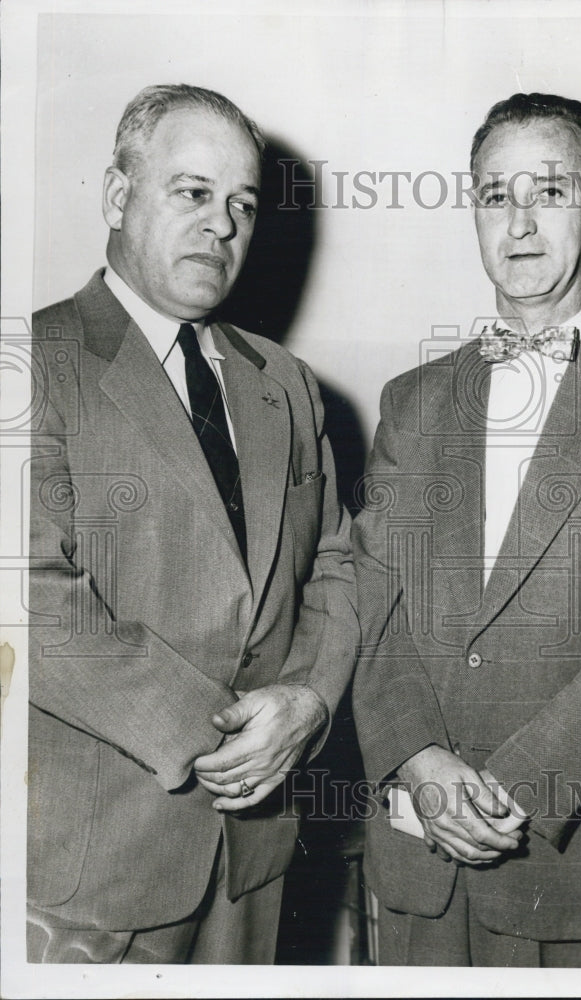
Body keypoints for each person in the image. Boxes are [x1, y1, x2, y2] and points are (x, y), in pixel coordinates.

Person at [352, 93, 581, 967]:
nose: (518, 223)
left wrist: (510, 789)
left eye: (549, 192)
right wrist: (415, 761)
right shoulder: (410, 404)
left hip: (576, 868)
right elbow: (372, 600)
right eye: (494, 195)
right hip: (415, 857)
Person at [27, 83, 358, 964]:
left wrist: (310, 701)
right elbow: (26, 595)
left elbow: (338, 563)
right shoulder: (30, 364)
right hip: (93, 877)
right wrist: (219, 737)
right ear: (115, 196)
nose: (222, 224)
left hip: (257, 862)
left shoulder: (284, 382)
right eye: (192, 192)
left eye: (241, 204)